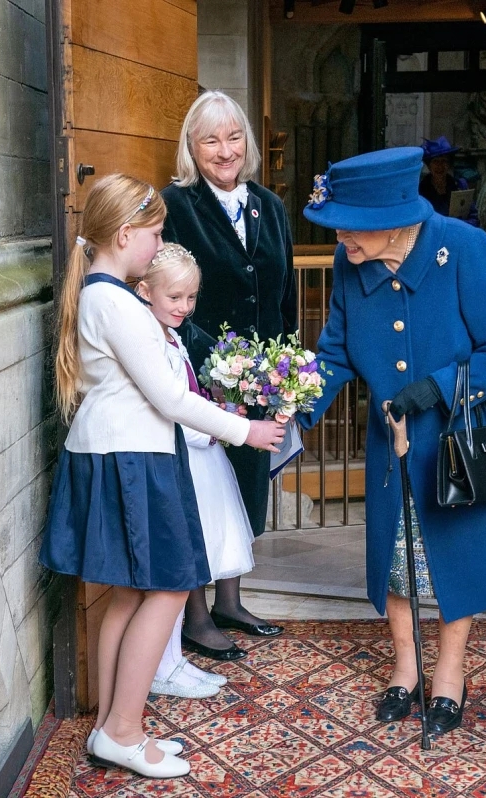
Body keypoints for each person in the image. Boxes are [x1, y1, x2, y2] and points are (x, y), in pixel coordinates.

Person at [38, 174, 285, 779]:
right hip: (133, 461)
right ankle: (123, 730)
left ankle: (107, 726)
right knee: (171, 589)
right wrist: (244, 430)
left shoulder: (107, 294)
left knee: (129, 592)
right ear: (125, 234)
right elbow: (171, 398)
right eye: (153, 235)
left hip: (123, 455)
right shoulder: (115, 302)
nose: (158, 244)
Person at [300, 148, 486, 735]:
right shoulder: (350, 259)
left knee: (453, 555)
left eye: (349, 225)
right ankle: (406, 671)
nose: (341, 239)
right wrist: (289, 413)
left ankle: (450, 676)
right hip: (394, 445)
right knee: (399, 564)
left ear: (393, 217)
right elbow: (334, 352)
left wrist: (436, 388)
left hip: (458, 439)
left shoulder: (463, 248)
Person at [160, 90, 297, 660]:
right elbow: (165, 288)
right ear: (192, 148)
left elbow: (283, 289)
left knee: (245, 484)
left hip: (260, 379)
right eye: (211, 139)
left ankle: (230, 601)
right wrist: (213, 363)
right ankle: (194, 615)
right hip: (201, 374)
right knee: (202, 491)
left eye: (234, 137)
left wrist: (283, 369)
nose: (225, 150)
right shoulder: (176, 203)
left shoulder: (269, 204)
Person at [135, 243, 256, 698]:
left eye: (191, 298)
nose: (185, 307)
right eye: (175, 298)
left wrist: (217, 410)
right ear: (146, 292)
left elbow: (187, 394)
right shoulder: (148, 338)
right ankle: (164, 665)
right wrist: (214, 429)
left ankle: (172, 661)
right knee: (175, 569)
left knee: (187, 564)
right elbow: (164, 408)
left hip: (198, 454)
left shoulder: (173, 335)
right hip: (179, 454)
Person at [418, 136, 479, 225]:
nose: (440, 166)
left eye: (443, 161)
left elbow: (474, 217)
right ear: (429, 166)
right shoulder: (421, 190)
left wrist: (461, 226)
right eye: (436, 162)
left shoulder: (460, 185)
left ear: (449, 164)